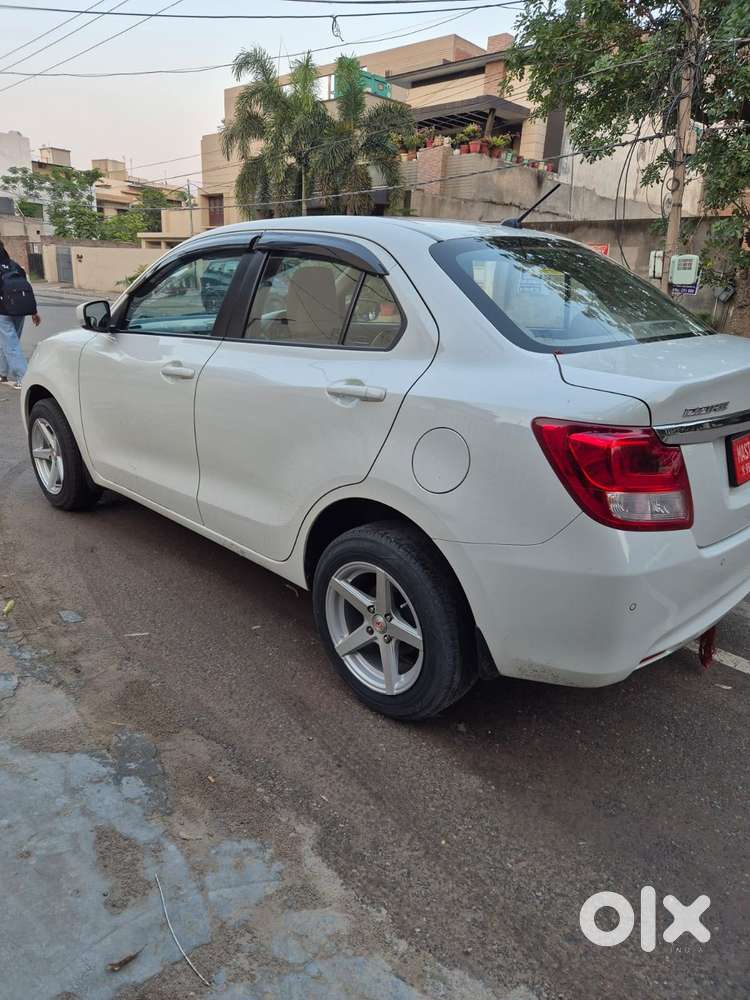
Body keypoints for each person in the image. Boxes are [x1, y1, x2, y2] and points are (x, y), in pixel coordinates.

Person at [0, 241, 41, 388]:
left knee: (10, 344)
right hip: (20, 309)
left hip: (3, 311)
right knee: (10, 342)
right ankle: (2, 373)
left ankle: (23, 378)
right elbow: (27, 289)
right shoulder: (14, 266)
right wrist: (34, 311)